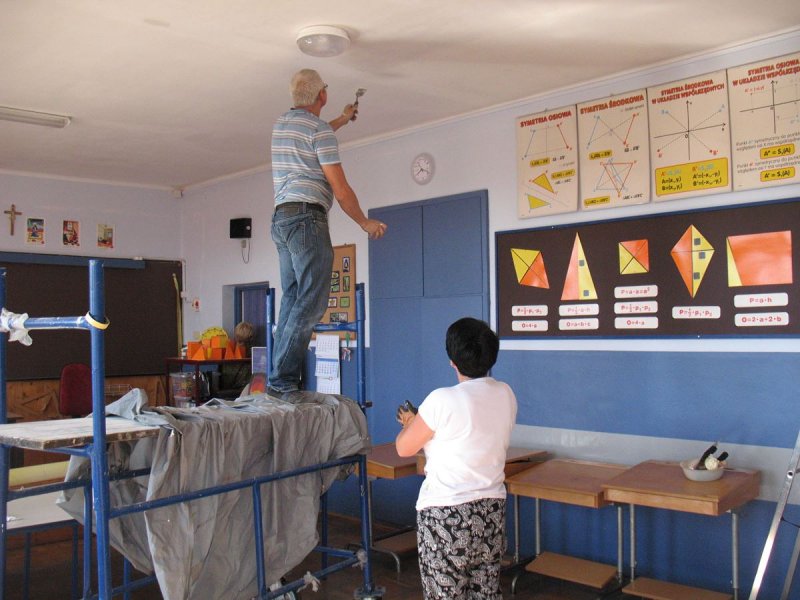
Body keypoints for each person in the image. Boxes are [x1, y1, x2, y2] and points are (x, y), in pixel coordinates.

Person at [269, 68, 387, 395]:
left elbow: (315, 136)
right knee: (311, 302)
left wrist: (342, 120)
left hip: (282, 219)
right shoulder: (319, 132)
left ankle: (277, 379)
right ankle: (283, 382)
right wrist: (364, 222)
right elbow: (341, 189)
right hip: (307, 219)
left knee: (292, 298)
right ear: (323, 94)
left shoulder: (283, 124)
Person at [396, 317, 517, 600]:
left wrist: (411, 424)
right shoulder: (505, 393)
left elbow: (404, 448)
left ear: (452, 361)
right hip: (491, 511)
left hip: (446, 514)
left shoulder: (441, 400)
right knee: (485, 593)